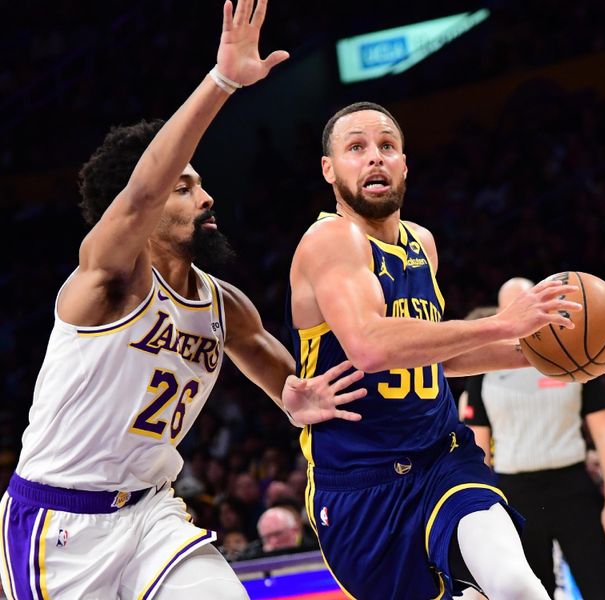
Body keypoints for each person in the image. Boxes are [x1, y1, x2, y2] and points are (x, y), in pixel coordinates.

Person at [1, 3, 366, 599]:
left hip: (152, 516)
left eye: (200, 182)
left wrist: (298, 399)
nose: (206, 195)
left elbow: (290, 390)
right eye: (185, 185)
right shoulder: (106, 281)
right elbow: (144, 185)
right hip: (59, 523)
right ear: (139, 212)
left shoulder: (226, 307)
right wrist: (221, 81)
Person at [288, 102, 582, 599]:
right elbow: (369, 346)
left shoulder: (422, 243)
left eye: (387, 146)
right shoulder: (328, 240)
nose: (374, 158)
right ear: (329, 169)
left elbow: (437, 357)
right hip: (361, 485)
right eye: (356, 148)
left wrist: (539, 355)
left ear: (404, 163)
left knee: (517, 584)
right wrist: (499, 324)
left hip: (441, 457)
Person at [462, 277, 605, 600]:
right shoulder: (484, 368)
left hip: (572, 485)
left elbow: (604, 432)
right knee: (532, 594)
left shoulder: (572, 355)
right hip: (515, 491)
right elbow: (478, 446)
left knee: (602, 588)